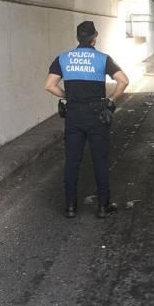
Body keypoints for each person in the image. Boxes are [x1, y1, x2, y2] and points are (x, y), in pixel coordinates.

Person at [45, 21, 129, 219]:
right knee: (99, 160)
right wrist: (111, 99)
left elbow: (49, 85)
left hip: (74, 115)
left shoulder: (63, 58)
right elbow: (123, 81)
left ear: (77, 38)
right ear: (95, 37)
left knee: (72, 161)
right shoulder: (102, 59)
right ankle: (103, 207)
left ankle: (70, 207)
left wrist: (67, 95)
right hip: (97, 115)